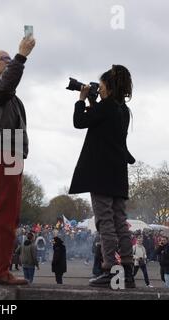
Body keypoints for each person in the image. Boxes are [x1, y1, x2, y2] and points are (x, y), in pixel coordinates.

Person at [68, 65, 136, 288]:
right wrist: (94, 103)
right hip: (118, 174)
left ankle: (109, 270)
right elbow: (103, 124)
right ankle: (127, 271)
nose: (101, 89)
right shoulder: (123, 110)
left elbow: (79, 122)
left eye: (103, 85)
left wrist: (81, 99)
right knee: (120, 222)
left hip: (100, 173)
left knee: (105, 221)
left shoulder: (106, 107)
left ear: (108, 86)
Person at [0, 35, 36, 286]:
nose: (9, 61)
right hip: (2, 152)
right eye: (4, 59)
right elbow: (5, 86)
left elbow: (8, 86)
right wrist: (21, 56)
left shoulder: (6, 94)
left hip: (10, 153)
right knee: (2, 211)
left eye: (10, 59)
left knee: (9, 213)